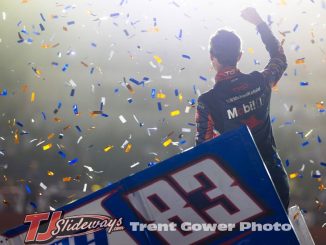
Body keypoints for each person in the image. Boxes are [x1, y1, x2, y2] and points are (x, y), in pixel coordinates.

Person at [195, 7, 290, 210]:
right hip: (277, 183)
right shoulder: (261, 81)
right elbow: (280, 59)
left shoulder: (207, 102)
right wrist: (260, 24)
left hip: (242, 192)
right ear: (239, 56)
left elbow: (203, 152)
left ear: (212, 56)